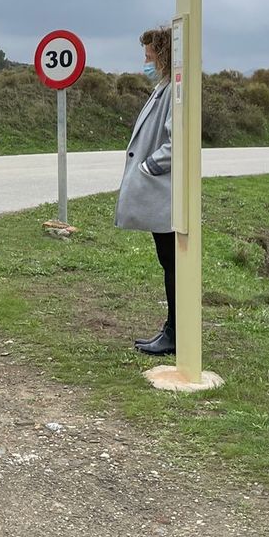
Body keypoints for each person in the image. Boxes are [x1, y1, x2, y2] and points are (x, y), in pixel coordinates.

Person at [115, 25, 176, 355]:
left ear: (164, 54)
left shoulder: (174, 89)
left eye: (149, 54)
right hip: (160, 191)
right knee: (168, 261)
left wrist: (150, 167)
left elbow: (176, 139)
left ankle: (175, 332)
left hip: (163, 191)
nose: (146, 60)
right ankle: (172, 329)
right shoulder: (164, 87)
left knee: (172, 262)